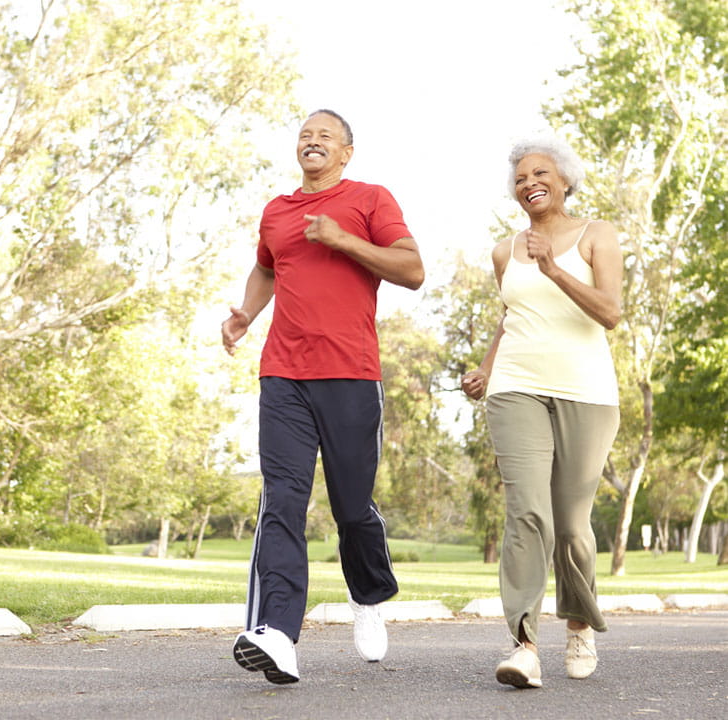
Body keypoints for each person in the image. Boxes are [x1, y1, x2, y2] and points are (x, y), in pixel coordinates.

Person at [221, 109, 424, 684]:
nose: (312, 142)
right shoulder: (276, 212)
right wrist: (245, 315)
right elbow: (266, 268)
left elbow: (413, 270)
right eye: (305, 136)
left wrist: (344, 240)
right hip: (283, 373)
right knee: (281, 499)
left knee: (352, 506)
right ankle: (277, 633)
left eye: (324, 137)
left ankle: (368, 594)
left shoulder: (369, 200)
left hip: (352, 375)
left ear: (346, 152)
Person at [461, 137, 622, 689]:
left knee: (572, 525)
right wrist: (486, 369)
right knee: (528, 513)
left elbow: (610, 312)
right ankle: (525, 644)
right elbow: (512, 316)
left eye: (541, 173)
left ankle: (579, 623)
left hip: (587, 392)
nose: (529, 181)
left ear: (564, 181)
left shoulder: (596, 234)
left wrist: (554, 268)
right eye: (521, 176)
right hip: (517, 387)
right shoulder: (505, 250)